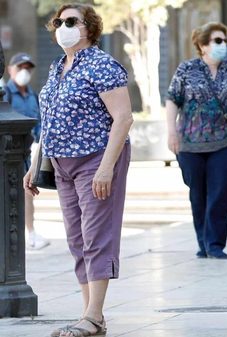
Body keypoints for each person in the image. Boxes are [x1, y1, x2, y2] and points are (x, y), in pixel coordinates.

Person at [23, 4, 133, 336]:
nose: (63, 27)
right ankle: (90, 316)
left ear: (90, 27)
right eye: (59, 21)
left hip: (96, 159)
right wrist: (34, 164)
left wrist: (105, 169)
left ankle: (94, 315)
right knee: (76, 239)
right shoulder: (58, 67)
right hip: (61, 164)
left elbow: (123, 118)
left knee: (97, 236)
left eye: (72, 21)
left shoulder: (101, 65)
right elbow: (50, 120)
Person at [166, 22, 227, 260]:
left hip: (225, 141)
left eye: (224, 41)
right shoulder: (186, 69)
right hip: (190, 144)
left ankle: (215, 244)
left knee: (220, 194)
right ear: (203, 45)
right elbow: (172, 100)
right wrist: (171, 132)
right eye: (217, 41)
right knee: (198, 194)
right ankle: (202, 242)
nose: (222, 45)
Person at [6, 52, 49, 250]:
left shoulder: (33, 95)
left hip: (29, 152)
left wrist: (39, 143)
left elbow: (40, 122)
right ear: (10, 70)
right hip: (9, 153)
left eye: (27, 68)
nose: (24, 72)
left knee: (28, 192)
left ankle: (30, 233)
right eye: (20, 67)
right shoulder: (5, 94)